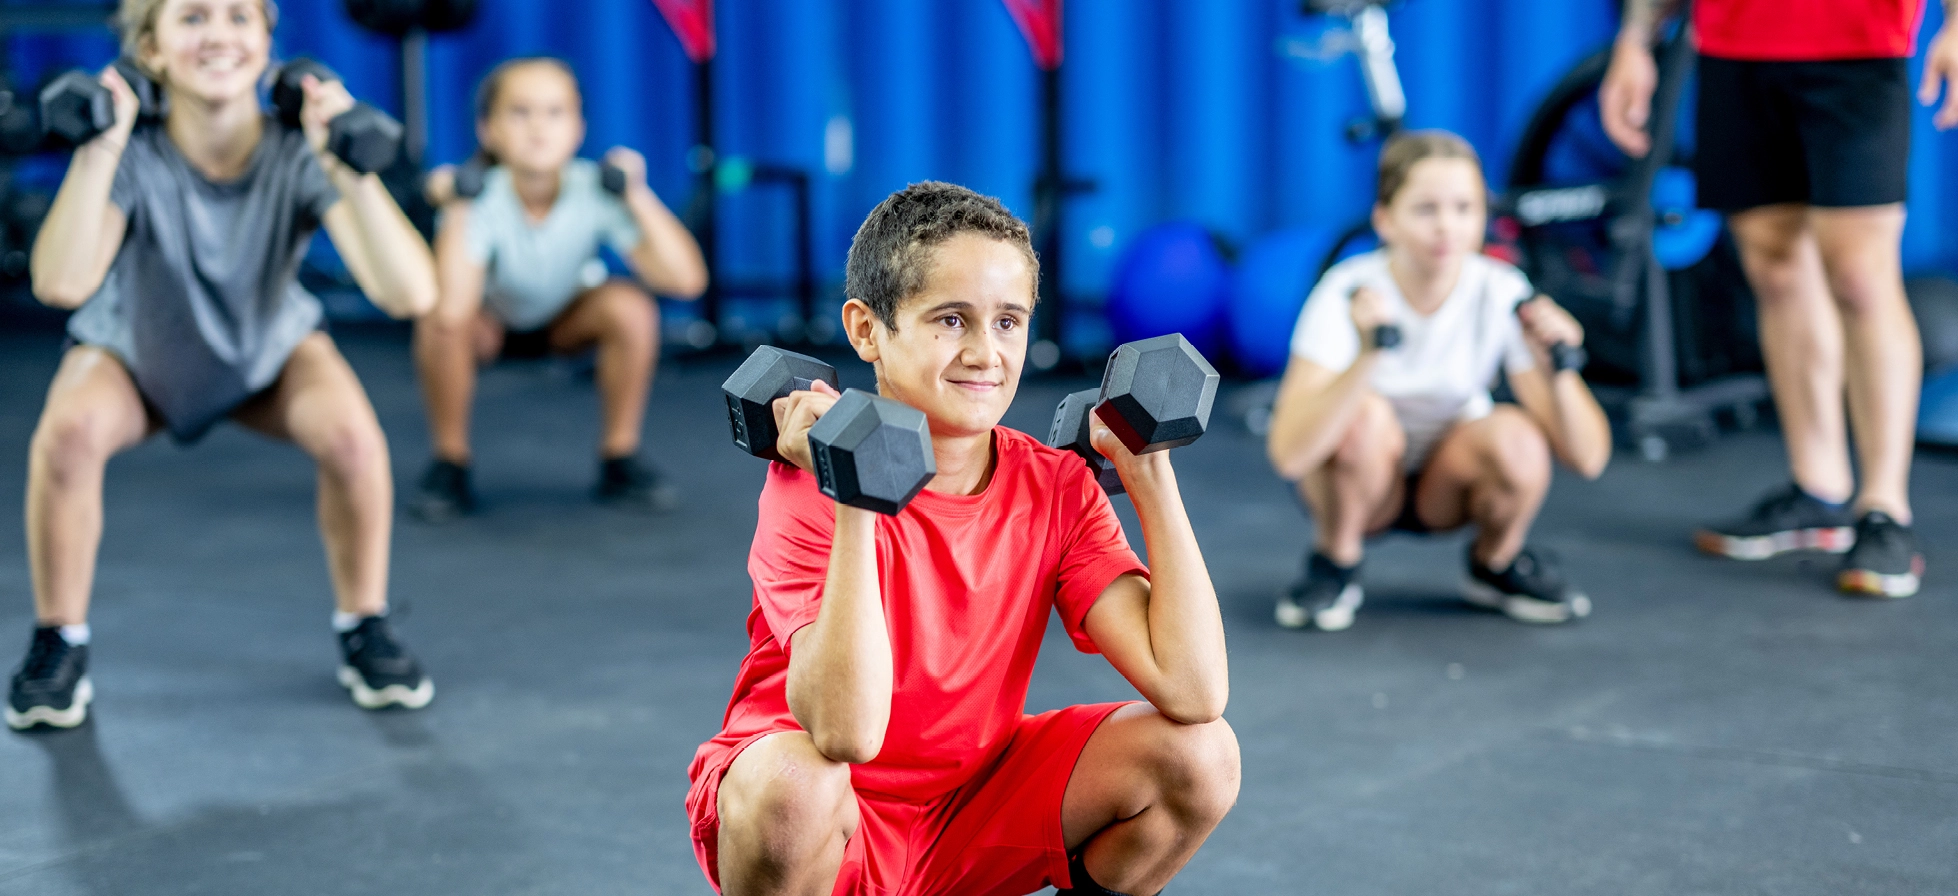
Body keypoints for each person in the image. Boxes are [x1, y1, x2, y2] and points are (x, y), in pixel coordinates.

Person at [687, 183, 1239, 896]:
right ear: (866, 330)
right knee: (793, 785)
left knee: (1201, 757)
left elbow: (1194, 690)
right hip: (832, 810)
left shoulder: (1056, 489)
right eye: (951, 320)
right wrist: (853, 493)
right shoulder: (807, 487)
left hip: (973, 802)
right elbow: (846, 734)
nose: (985, 353)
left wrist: (1149, 474)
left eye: (1008, 322)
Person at [7, 0, 439, 731]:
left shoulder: (298, 151)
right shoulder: (131, 151)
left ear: (269, 44)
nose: (219, 35)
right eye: (193, 18)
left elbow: (411, 294)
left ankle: (364, 625)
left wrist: (346, 163)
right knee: (69, 432)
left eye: (240, 17)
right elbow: (61, 285)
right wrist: (98, 148)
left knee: (353, 440)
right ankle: (59, 641)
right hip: (139, 356)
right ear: (150, 51)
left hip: (268, 354)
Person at [1600, 0, 1952, 597]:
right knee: (1774, 270)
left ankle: (1884, 510)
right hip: (1735, 48)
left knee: (1861, 277)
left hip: (1856, 48)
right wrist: (1635, 38)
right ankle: (1818, 489)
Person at [1265, 131, 1613, 632]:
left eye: (1464, 208)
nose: (1447, 226)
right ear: (1385, 219)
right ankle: (1336, 561)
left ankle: (1495, 562)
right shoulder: (1346, 290)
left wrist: (1560, 368)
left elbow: (1588, 458)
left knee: (1517, 437)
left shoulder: (1500, 290)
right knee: (1365, 418)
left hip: (1447, 485)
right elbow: (1289, 455)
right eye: (1426, 209)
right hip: (1360, 484)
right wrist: (1367, 353)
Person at [410, 57, 708, 519]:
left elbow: (686, 281)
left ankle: (619, 457)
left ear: (578, 129)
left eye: (554, 113)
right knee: (435, 322)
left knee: (631, 307)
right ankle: (450, 461)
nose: (538, 128)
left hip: (565, 322)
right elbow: (452, 311)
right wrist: (458, 207)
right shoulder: (478, 195)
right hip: (488, 326)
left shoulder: (594, 188)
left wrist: (636, 194)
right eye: (520, 112)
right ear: (488, 130)